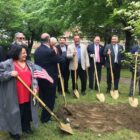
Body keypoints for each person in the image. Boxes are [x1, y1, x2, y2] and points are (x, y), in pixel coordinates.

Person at [0, 44, 39, 140]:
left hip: (28, 93)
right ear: (16, 53)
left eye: (26, 52)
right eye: (23, 53)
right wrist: (9, 74)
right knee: (15, 113)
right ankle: (14, 132)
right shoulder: (6, 64)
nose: (25, 55)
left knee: (27, 111)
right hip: (15, 94)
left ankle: (26, 127)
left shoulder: (29, 63)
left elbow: (34, 77)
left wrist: (35, 87)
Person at [34, 33, 64, 123]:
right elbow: (60, 60)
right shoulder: (50, 51)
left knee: (43, 96)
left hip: (40, 77)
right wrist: (58, 53)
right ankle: (45, 118)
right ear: (48, 40)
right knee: (50, 99)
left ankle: (45, 111)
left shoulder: (37, 50)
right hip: (49, 78)